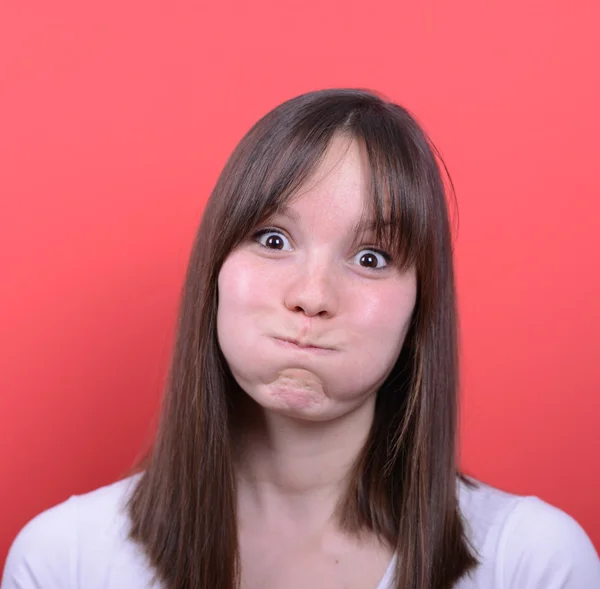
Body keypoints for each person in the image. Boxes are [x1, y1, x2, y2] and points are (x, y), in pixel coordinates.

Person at [2, 88, 599, 589]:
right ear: (213, 271)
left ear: (420, 310)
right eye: (273, 239)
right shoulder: (65, 561)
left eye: (370, 256)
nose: (312, 295)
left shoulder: (531, 563)